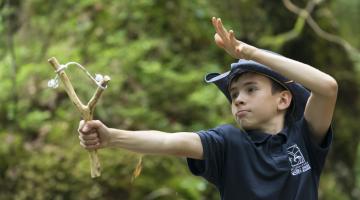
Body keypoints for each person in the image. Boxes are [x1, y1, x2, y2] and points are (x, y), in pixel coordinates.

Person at [78, 17, 338, 199]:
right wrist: (111, 137)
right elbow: (171, 142)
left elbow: (327, 87)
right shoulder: (228, 142)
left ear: (283, 99)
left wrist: (250, 53)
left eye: (251, 89)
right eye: (234, 94)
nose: (238, 99)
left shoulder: (304, 138)